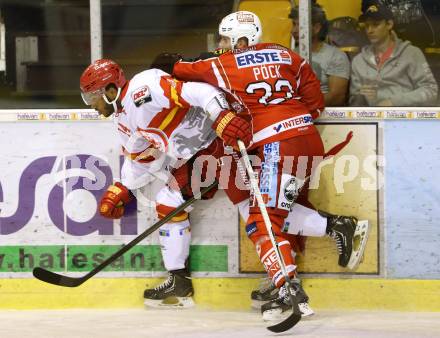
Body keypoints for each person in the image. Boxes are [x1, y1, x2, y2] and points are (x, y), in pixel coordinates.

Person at [171, 11, 370, 320]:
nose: (221, 45)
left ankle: (289, 292)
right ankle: (329, 236)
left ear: (240, 40)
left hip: (278, 148)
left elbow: (179, 69)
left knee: (264, 221)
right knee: (269, 213)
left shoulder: (223, 64)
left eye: (224, 39)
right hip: (305, 142)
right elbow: (315, 102)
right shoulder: (286, 55)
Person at [79, 58, 252, 308]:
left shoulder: (144, 87)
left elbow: (200, 91)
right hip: (199, 158)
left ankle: (179, 280)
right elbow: (143, 159)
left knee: (253, 210)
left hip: (217, 143)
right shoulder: (122, 121)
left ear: (109, 91)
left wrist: (221, 116)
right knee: (248, 207)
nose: (91, 106)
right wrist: (122, 188)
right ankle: (179, 281)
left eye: (91, 97)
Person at [350, 4, 438, 106]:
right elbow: (354, 104)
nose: (370, 30)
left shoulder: (412, 53)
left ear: (389, 24)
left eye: (375, 24)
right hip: (372, 119)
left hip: (405, 118)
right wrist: (360, 96)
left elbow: (431, 91)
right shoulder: (358, 61)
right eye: (367, 26)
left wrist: (394, 102)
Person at [290, 3, 351, 106]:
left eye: (299, 25)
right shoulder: (289, 55)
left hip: (326, 117)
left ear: (317, 28)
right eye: (293, 24)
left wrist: (301, 107)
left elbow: (336, 98)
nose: (293, 31)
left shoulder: (336, 56)